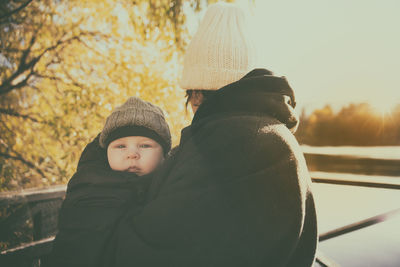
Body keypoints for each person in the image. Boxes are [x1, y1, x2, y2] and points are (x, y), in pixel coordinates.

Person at [98, 2, 318, 266]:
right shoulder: (276, 135)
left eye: (192, 93)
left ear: (200, 93)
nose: (191, 104)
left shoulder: (230, 143)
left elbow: (145, 250)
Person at [46, 97, 171, 267]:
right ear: (106, 153)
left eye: (145, 146)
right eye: (120, 146)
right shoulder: (88, 186)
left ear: (164, 155)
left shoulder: (171, 188)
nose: (132, 154)